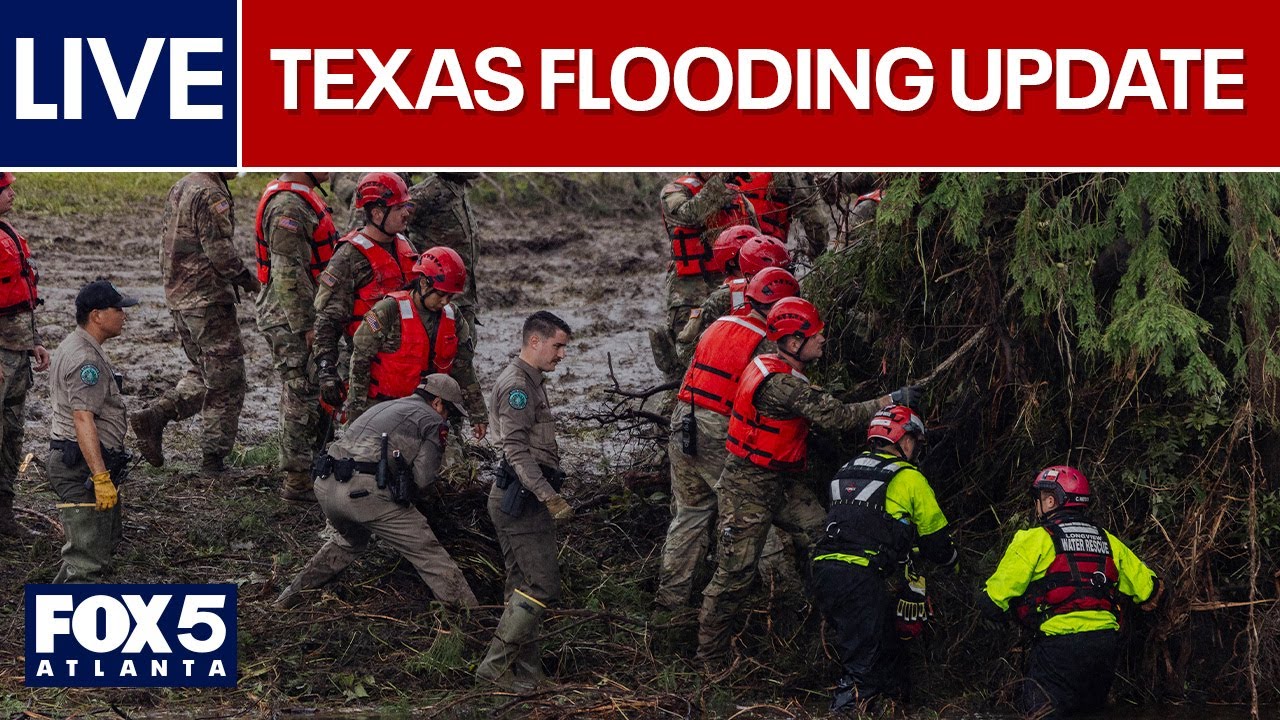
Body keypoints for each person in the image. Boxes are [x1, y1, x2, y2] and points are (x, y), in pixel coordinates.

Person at [696, 297, 921, 667]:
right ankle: (710, 658)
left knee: (824, 539)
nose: (823, 339)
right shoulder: (782, 384)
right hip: (747, 488)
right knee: (735, 574)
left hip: (781, 482)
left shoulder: (776, 366)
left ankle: (821, 625)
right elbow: (838, 417)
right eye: (815, 335)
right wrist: (892, 399)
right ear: (793, 342)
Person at [655, 267, 802, 615]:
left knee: (689, 516)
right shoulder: (766, 341)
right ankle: (784, 598)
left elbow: (688, 363)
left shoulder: (719, 324)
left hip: (683, 422)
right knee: (751, 511)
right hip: (718, 429)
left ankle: (669, 606)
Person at [274, 374, 479, 609]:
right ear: (437, 402)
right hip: (362, 493)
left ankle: (287, 599)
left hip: (326, 486)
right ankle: (470, 613)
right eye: (449, 412)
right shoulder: (433, 420)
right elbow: (423, 479)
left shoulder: (387, 406)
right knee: (428, 553)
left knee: (348, 542)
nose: (448, 419)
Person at [980, 465, 1163, 719]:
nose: (1037, 506)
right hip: (1104, 647)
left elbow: (992, 601)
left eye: (1039, 499)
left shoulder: (1035, 539)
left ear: (1051, 500)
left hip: (1058, 650)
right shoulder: (1108, 540)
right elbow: (1150, 591)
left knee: (1042, 714)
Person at [811, 404, 957, 712]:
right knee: (863, 667)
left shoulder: (847, 469)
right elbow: (936, 541)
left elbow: (864, 526)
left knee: (881, 648)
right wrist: (953, 563)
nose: (916, 450)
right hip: (860, 576)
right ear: (905, 440)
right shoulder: (908, 477)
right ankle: (845, 712)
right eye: (916, 442)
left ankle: (893, 706)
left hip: (825, 572)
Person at [132, 172, 259, 472]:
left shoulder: (182, 185)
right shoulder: (210, 193)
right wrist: (251, 282)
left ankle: (157, 416)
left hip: (179, 297)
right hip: (206, 300)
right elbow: (220, 253)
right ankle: (213, 460)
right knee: (227, 381)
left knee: (205, 373)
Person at [476, 311, 575, 691]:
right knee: (542, 585)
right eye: (558, 346)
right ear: (535, 341)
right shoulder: (518, 386)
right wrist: (549, 497)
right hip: (522, 501)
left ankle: (527, 675)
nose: (562, 355)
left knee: (521, 586)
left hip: (520, 497)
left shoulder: (531, 380)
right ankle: (493, 669)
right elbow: (515, 450)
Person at [254, 172, 338, 502]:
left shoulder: (301, 198)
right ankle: (297, 480)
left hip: (303, 310)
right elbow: (288, 273)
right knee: (301, 391)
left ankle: (314, 465)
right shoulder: (288, 206)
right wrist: (307, 326)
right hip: (289, 315)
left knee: (314, 389)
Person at [47, 280, 138, 582]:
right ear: (97, 315)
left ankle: (56, 606)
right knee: (86, 564)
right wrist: (100, 477)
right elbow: (82, 419)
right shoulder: (85, 359)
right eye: (118, 309)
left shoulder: (76, 345)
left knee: (92, 553)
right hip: (80, 468)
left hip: (82, 462)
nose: (124, 315)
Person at [345, 247, 486, 438]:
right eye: (441, 294)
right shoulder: (388, 310)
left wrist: (478, 414)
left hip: (430, 412)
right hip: (384, 409)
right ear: (424, 283)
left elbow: (464, 369)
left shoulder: (453, 317)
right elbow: (360, 363)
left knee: (451, 452)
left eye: (450, 296)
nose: (445, 302)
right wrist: (356, 419)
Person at [313, 172, 419, 415]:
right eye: (399, 208)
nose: (407, 213)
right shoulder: (348, 256)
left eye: (407, 206)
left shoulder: (405, 246)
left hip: (408, 365)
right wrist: (327, 370)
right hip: (367, 370)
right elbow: (328, 319)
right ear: (377, 213)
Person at [652, 172, 753, 380]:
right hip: (689, 290)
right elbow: (691, 215)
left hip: (729, 286)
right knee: (685, 355)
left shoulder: (738, 196)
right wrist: (719, 183)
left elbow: (754, 239)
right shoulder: (675, 192)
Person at [0, 172, 48, 538]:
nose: (12, 194)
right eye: (5, 189)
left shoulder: (8, 233)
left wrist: (34, 342)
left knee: (12, 434)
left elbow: (21, 297)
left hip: (17, 353)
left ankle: (4, 515)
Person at [675, 233, 792, 366]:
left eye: (788, 272)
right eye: (775, 276)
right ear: (751, 276)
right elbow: (686, 344)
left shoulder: (792, 294)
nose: (784, 281)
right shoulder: (723, 298)